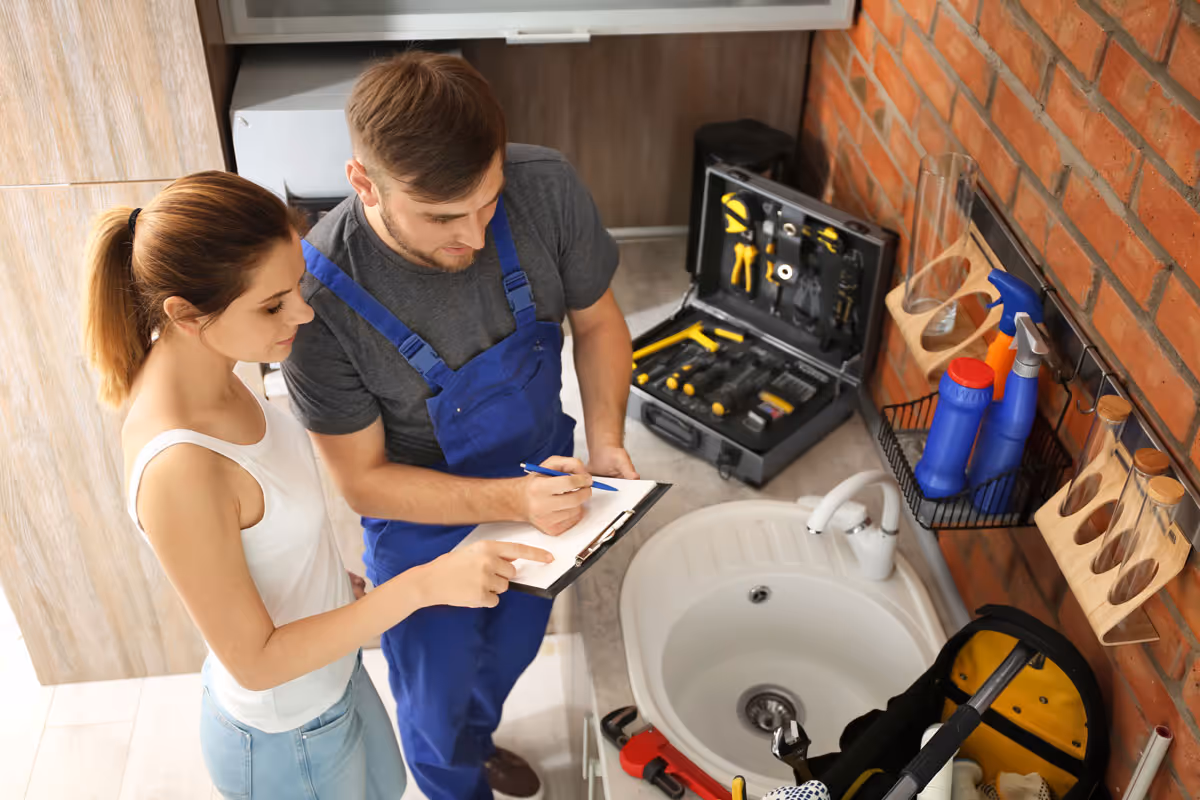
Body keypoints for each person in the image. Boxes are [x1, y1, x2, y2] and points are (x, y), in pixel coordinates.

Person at [81, 170, 553, 800]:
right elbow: (254, 661)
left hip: (334, 678)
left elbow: (260, 536)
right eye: (273, 304)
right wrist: (426, 584)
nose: (303, 313)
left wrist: (329, 586)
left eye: (296, 286)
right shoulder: (179, 469)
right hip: (286, 734)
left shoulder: (214, 371)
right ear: (186, 315)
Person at [281, 52, 638, 800]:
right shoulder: (318, 302)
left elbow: (600, 324)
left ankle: (479, 744)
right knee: (434, 701)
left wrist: (606, 442)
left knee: (510, 648)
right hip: (421, 525)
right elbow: (364, 483)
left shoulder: (547, 190)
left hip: (545, 481)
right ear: (363, 183)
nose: (474, 238)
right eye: (442, 217)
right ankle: (454, 779)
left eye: (487, 203)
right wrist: (513, 503)